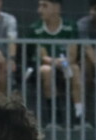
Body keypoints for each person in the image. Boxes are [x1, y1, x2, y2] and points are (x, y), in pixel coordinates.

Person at [27, 0, 85, 128]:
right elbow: (43, 57)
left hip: (65, 64)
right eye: (39, 6)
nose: (39, 10)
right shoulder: (35, 28)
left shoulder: (70, 26)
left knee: (75, 69)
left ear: (56, 8)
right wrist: (57, 62)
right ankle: (55, 119)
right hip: (43, 66)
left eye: (44, 6)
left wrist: (64, 62)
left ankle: (79, 117)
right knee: (47, 71)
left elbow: (73, 55)